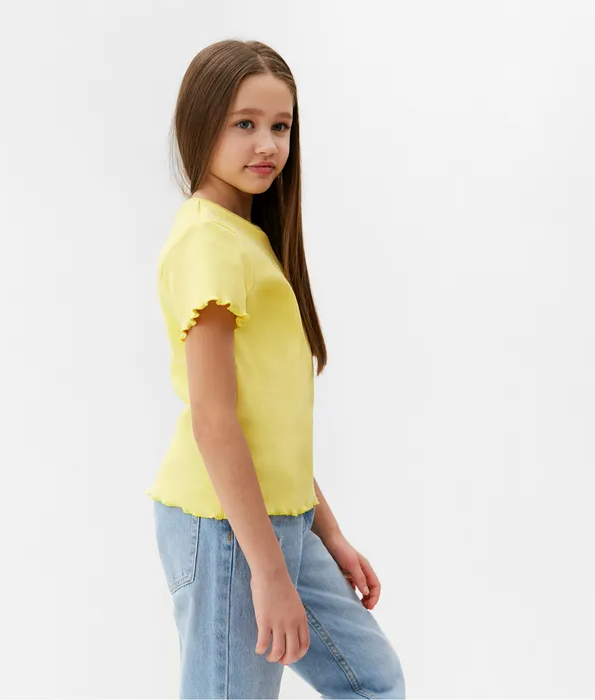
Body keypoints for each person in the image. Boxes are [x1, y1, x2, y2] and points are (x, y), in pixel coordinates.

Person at [146, 38, 406, 699]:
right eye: (245, 123)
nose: (267, 144)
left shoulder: (249, 239)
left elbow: (267, 424)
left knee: (373, 681)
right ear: (199, 124)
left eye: (281, 126)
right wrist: (267, 572)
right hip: (224, 527)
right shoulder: (207, 241)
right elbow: (214, 421)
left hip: (277, 518)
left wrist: (329, 533)